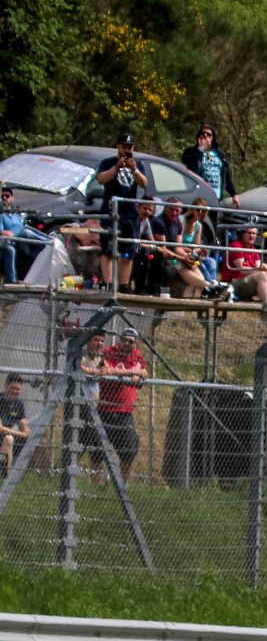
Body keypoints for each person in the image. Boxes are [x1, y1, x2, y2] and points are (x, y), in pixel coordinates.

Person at [95, 135, 150, 290]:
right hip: (111, 211)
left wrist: (134, 169)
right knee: (108, 248)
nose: (127, 150)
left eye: (130, 147)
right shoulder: (107, 163)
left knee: (129, 250)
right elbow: (101, 179)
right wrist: (116, 167)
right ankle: (108, 283)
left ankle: (124, 285)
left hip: (130, 213)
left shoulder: (137, 164)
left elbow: (144, 183)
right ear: (118, 146)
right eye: (124, 146)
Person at [96, 327, 146, 477]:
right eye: (123, 340)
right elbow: (107, 370)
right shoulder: (109, 352)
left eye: (130, 342)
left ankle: (122, 486)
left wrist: (140, 374)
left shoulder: (136, 356)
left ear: (135, 344)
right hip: (104, 410)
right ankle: (94, 486)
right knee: (97, 451)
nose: (125, 343)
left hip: (125, 413)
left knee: (129, 451)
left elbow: (143, 373)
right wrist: (132, 372)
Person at [179, 123, 237, 204]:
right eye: (202, 134)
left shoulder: (220, 154)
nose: (205, 136)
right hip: (198, 198)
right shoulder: (191, 152)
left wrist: (234, 194)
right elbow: (189, 171)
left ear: (213, 138)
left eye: (208, 134)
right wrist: (201, 149)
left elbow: (226, 176)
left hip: (216, 198)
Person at [0, 373, 28, 477]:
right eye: (13, 388)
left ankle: (45, 476)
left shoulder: (19, 404)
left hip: (14, 435)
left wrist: (23, 433)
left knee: (40, 441)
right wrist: (21, 433)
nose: (15, 391)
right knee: (8, 439)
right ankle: (7, 475)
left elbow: (26, 429)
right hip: (4, 437)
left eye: (18, 389)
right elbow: (0, 429)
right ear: (6, 385)